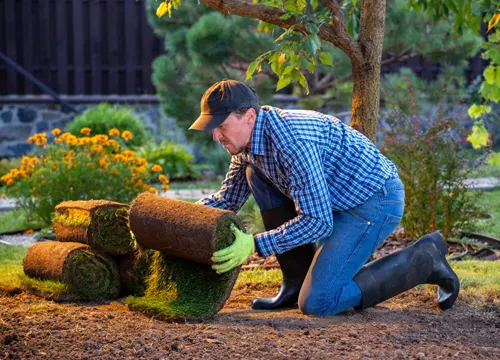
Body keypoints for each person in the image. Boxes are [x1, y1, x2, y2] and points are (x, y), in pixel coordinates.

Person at [191, 79, 459, 316]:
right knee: (255, 174)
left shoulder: (292, 142)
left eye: (221, 126)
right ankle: (295, 284)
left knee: (319, 302)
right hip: (333, 201)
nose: (215, 135)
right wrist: (180, 218)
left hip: (373, 202)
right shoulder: (247, 145)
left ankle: (425, 259)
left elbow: (317, 222)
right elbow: (227, 200)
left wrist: (254, 245)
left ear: (248, 116)